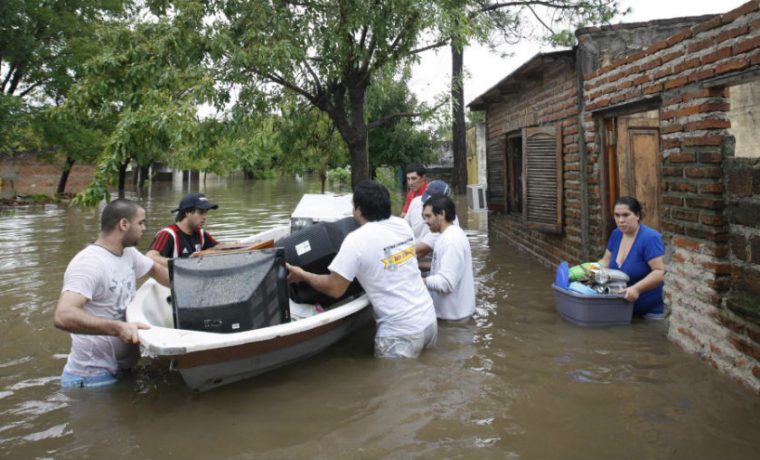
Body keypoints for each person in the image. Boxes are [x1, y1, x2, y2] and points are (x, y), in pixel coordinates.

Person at [286, 180, 437, 358]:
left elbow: (335, 289)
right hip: (428, 320)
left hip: (400, 333)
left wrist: (303, 275)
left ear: (358, 210)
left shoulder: (356, 240)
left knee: (394, 384)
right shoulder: (402, 225)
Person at [53, 199, 170, 389]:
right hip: (91, 379)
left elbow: (157, 271)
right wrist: (118, 328)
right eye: (141, 222)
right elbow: (63, 315)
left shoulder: (128, 253)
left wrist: (192, 288)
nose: (145, 228)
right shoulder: (89, 263)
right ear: (124, 224)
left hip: (122, 371)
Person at [599, 196, 665, 319]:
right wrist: (587, 273)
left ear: (637, 215)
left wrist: (637, 289)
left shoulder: (650, 239)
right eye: (617, 215)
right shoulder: (616, 234)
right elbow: (605, 261)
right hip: (624, 308)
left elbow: (660, 272)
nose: (620, 220)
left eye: (625, 215)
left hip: (651, 314)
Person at [422, 196, 476, 321]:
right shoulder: (446, 236)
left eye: (428, 216)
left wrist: (418, 281)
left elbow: (446, 283)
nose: (425, 221)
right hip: (453, 316)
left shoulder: (452, 240)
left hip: (454, 319)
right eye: (424, 217)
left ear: (441, 214)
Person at [146, 192, 219, 267]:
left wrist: (231, 245)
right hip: (172, 278)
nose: (205, 217)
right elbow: (150, 257)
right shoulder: (168, 234)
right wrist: (182, 263)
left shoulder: (200, 233)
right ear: (187, 212)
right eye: (200, 212)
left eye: (206, 212)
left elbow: (218, 247)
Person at [405, 179, 459, 259]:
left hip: (427, 260)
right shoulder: (415, 202)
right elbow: (404, 229)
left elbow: (421, 249)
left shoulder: (449, 223)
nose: (425, 221)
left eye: (428, 216)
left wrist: (394, 259)